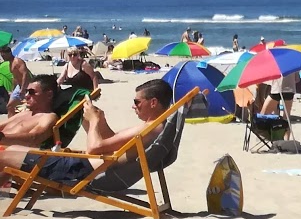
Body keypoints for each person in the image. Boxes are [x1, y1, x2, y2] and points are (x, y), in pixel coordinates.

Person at [1, 80, 174, 185]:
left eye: (137, 102)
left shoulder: (147, 129)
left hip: (78, 170)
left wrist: (94, 121)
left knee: (3, 157)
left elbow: (93, 148)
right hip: (82, 165)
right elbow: (111, 142)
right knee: (10, 151)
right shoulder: (156, 127)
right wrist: (101, 120)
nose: (133, 106)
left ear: (153, 102)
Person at [2, 76, 61, 149]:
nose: (26, 96)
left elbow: (34, 138)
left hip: (10, 153)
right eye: (26, 92)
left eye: (31, 92)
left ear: (49, 95)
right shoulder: (24, 113)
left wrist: (2, 138)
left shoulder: (48, 117)